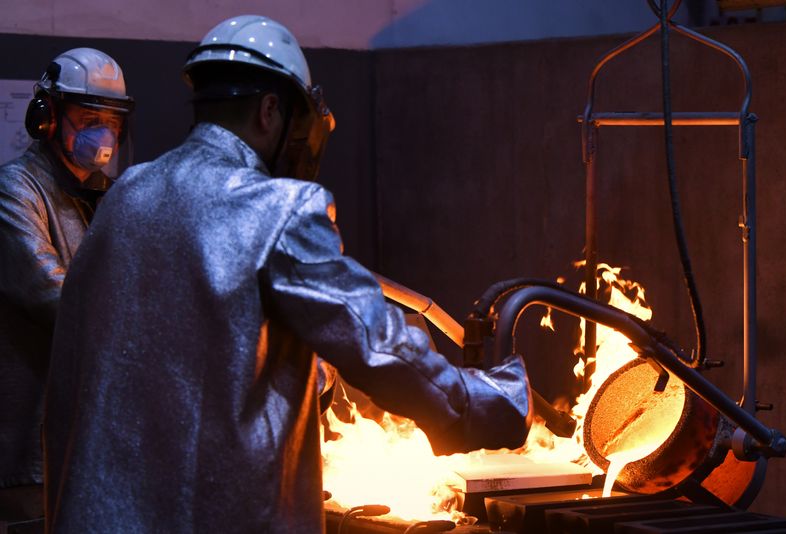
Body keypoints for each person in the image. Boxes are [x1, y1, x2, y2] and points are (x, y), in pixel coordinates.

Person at [43, 15, 532, 533]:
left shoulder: (126, 195)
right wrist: (489, 402)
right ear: (270, 110)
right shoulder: (277, 208)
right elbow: (376, 345)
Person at [0, 48, 134, 524]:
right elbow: (57, 298)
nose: (104, 134)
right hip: (29, 454)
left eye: (112, 121)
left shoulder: (107, 196)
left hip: (88, 444)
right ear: (46, 119)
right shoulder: (16, 192)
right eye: (88, 118)